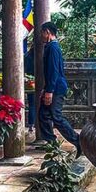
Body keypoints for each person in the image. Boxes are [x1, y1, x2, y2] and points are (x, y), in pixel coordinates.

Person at [37, 22, 80, 154]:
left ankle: (78, 142)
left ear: (48, 32)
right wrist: (46, 89)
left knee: (56, 117)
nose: (41, 36)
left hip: (57, 87)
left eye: (42, 32)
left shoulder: (53, 47)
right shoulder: (50, 46)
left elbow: (54, 71)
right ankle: (52, 143)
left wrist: (50, 91)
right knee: (43, 115)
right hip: (53, 86)